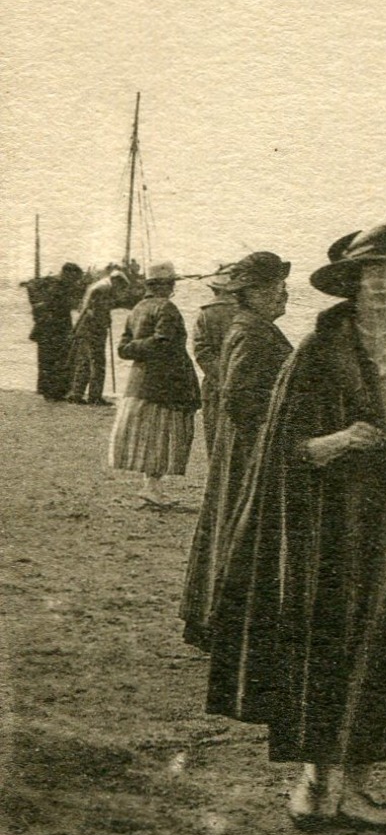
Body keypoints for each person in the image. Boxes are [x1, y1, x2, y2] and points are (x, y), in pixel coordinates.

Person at [205, 224, 386, 829]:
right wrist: (338, 440)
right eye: (370, 274)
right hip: (328, 529)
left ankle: (361, 785)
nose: (381, 284)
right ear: (350, 283)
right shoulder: (316, 351)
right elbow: (281, 447)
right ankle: (317, 782)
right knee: (326, 644)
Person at [180, 252, 293, 649]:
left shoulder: (250, 326)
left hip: (241, 446)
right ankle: (220, 623)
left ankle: (209, 620)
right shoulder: (251, 331)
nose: (284, 295)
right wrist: (273, 431)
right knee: (237, 528)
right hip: (248, 449)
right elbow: (240, 397)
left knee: (226, 526)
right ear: (254, 292)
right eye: (277, 288)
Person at [109, 263, 201, 507]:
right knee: (162, 434)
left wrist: (138, 349)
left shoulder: (138, 308)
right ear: (165, 286)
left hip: (140, 380)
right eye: (171, 284)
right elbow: (163, 344)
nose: (172, 288)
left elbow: (123, 348)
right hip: (166, 382)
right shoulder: (166, 308)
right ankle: (152, 487)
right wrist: (151, 348)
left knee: (149, 434)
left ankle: (151, 486)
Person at [193, 270, 240, 455]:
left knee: (215, 442)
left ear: (214, 290)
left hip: (213, 385)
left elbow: (201, 352)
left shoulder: (205, 314)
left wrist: (220, 377)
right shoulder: (245, 313)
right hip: (241, 384)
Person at [65, 268, 125, 405]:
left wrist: (107, 316)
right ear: (116, 281)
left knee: (84, 362)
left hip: (84, 328)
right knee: (98, 364)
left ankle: (76, 394)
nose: (120, 290)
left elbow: (91, 308)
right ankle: (95, 397)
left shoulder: (98, 285)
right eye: (121, 286)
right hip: (93, 330)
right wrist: (105, 321)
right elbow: (97, 312)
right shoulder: (104, 288)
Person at [27, 263, 84, 400]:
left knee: (49, 360)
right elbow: (56, 305)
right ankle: (53, 393)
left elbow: (32, 288)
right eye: (74, 278)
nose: (75, 281)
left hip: (49, 328)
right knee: (55, 360)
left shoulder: (52, 283)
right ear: (67, 274)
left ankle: (50, 392)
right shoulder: (57, 286)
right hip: (53, 329)